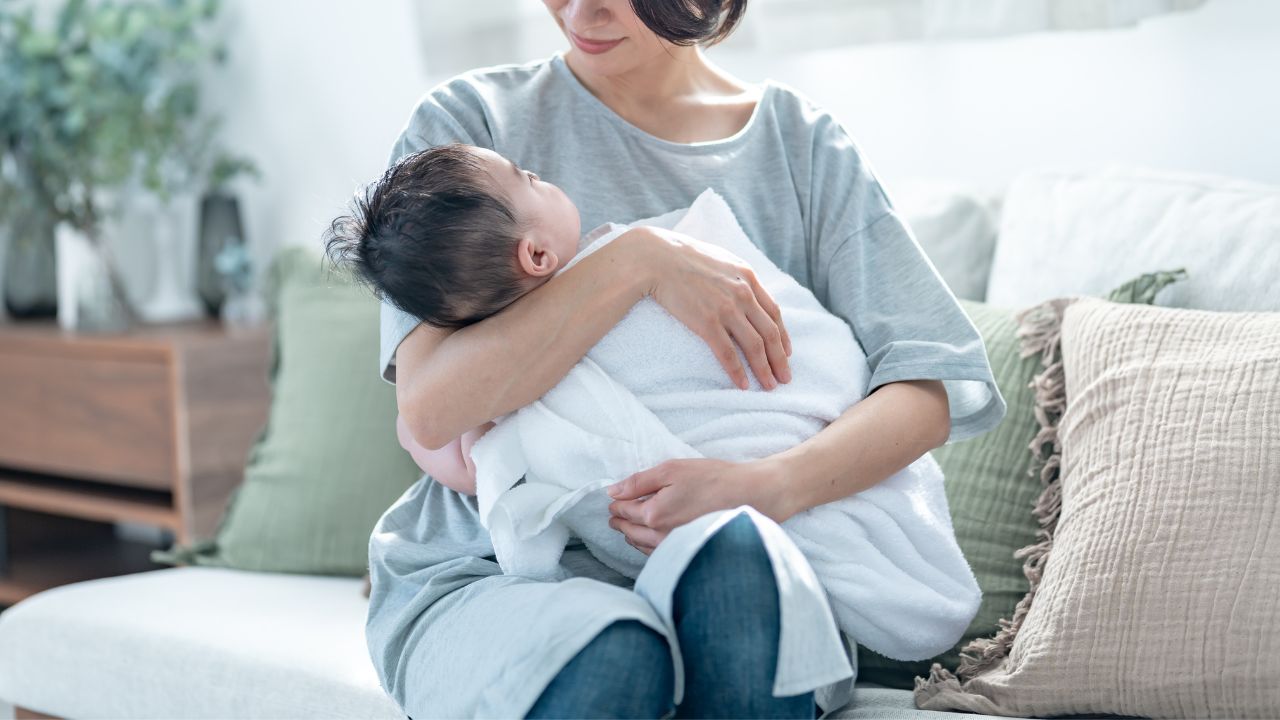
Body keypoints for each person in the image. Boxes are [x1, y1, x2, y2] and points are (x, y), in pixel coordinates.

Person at [363, 1, 1007, 718]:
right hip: (499, 577)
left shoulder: (800, 145)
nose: (581, 11)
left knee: (736, 567)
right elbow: (431, 409)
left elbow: (924, 389)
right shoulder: (473, 123)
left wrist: (767, 486)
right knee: (612, 654)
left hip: (754, 566)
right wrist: (636, 260)